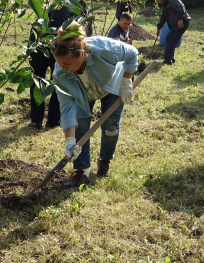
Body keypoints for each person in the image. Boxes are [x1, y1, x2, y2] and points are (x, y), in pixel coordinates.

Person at [51, 22, 139, 187]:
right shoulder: (60, 73)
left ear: (82, 54)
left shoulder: (103, 49)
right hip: (83, 92)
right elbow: (67, 107)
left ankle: (105, 161)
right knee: (80, 125)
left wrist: (126, 80)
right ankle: (83, 172)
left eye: (67, 64)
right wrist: (69, 140)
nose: (62, 68)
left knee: (111, 128)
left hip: (112, 83)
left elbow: (132, 53)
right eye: (59, 63)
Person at [28, 1, 79, 129]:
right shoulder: (71, 14)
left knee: (38, 81)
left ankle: (36, 120)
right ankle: (53, 121)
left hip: (39, 47)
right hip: (58, 49)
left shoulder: (44, 12)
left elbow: (32, 36)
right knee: (58, 83)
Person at [155, 0, 191, 65]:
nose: (156, 0)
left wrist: (180, 19)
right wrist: (159, 28)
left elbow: (180, 6)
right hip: (177, 23)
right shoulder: (166, 4)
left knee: (170, 38)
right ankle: (170, 59)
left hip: (182, 22)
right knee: (172, 40)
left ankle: (167, 60)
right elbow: (163, 17)